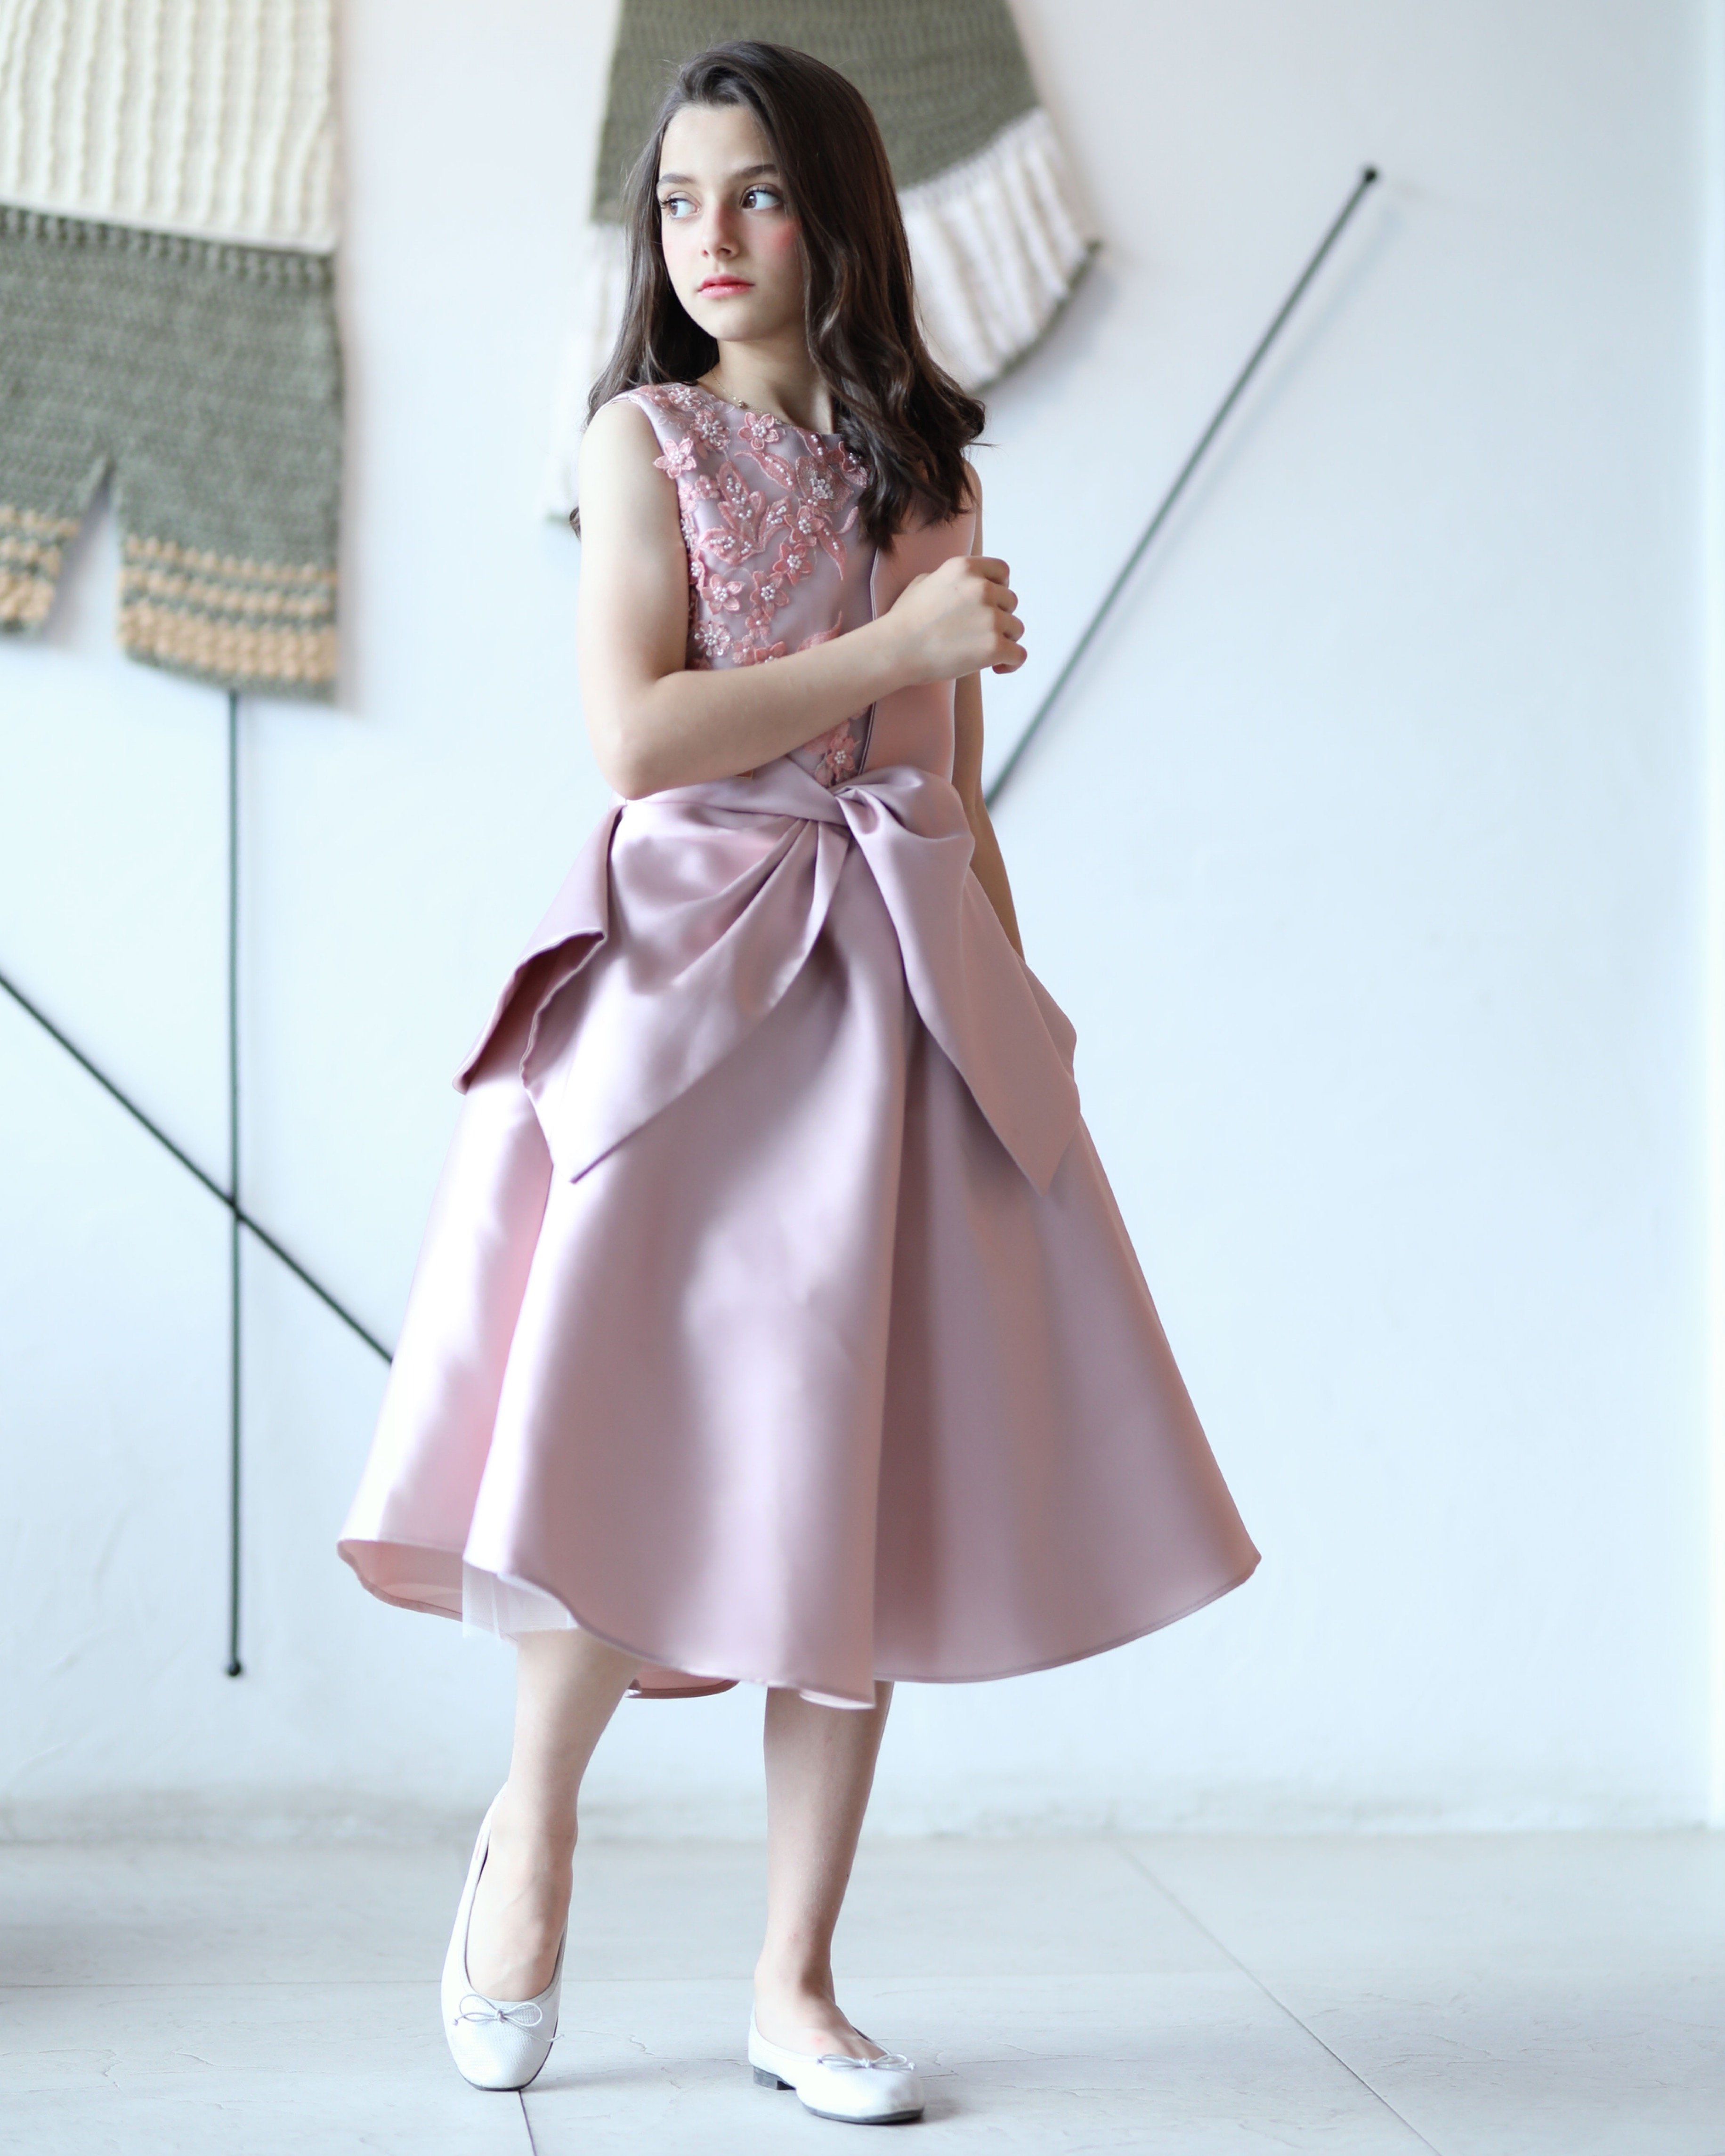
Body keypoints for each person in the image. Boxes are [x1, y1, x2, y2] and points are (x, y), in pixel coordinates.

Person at [338, 40, 1259, 2127]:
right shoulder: (641, 440)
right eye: (680, 202)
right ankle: (532, 1832)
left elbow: (952, 785)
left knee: (854, 1479)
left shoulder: (929, 472)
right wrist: (894, 647)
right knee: (616, 1424)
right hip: (691, 987)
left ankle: (798, 1973)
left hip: (889, 1004)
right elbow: (638, 737)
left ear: (840, 212)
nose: (714, 238)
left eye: (755, 194)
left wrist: (1012, 1015)